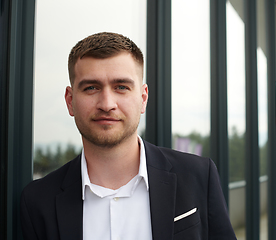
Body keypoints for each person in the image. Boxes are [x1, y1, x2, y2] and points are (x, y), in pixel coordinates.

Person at [20, 32, 236, 240]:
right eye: (91, 88)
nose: (106, 104)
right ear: (70, 101)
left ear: (143, 98)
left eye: (121, 87)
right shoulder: (38, 201)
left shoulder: (197, 176)